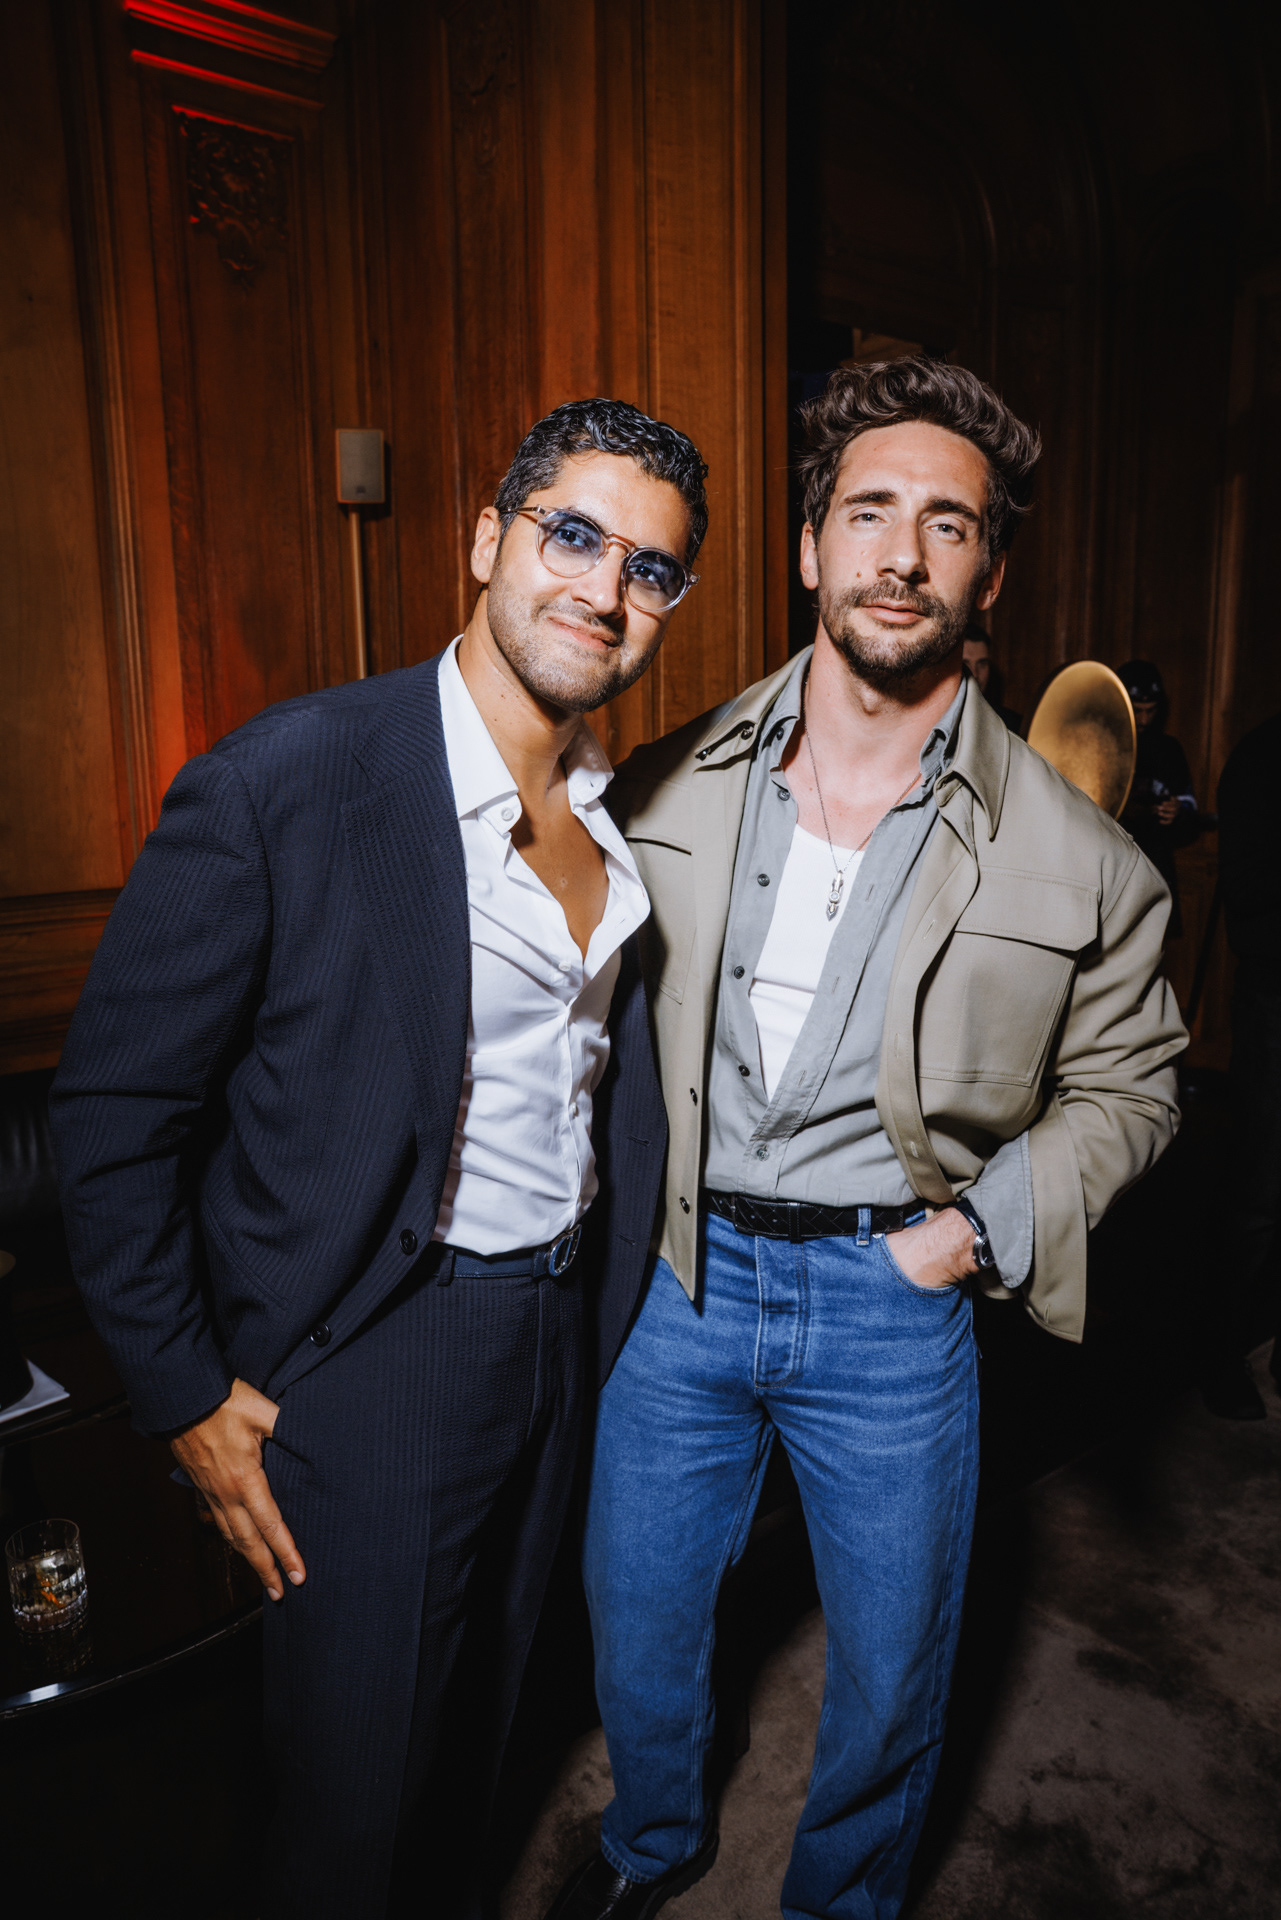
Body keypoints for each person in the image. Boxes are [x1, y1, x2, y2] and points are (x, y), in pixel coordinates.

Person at [49, 399, 707, 1919]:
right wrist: (184, 1394)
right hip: (379, 1354)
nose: (605, 590)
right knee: (354, 1810)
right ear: (485, 541)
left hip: (562, 1336)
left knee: (481, 1743)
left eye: (651, 569)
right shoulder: (287, 780)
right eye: (572, 535)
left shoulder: (614, 808)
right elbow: (113, 1115)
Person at [547, 359, 1187, 1920]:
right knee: (637, 1623)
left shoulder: (1084, 861)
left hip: (891, 1302)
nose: (903, 555)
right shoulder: (656, 784)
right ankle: (649, 1843)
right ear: (809, 546)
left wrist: (967, 1237)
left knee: (897, 1672)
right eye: (870, 512)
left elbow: (1134, 1086)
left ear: (988, 572)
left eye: (948, 526)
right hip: (679, 1279)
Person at [1201, 712, 1281, 1418]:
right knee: (1258, 1191)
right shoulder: (1261, 755)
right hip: (1275, 1001)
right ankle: (1215, 1356)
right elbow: (1247, 891)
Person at [1120, 659, 1198, 936]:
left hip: (1155, 871)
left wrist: (1179, 811)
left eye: (1150, 711)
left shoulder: (1169, 750)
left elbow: (1191, 811)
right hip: (1112, 872)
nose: (1144, 720)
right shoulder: (1100, 745)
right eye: (1137, 710)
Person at [961, 620, 1021, 731]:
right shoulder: (932, 720)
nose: (975, 674)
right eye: (965, 664)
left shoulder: (1011, 725)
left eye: (982, 664)